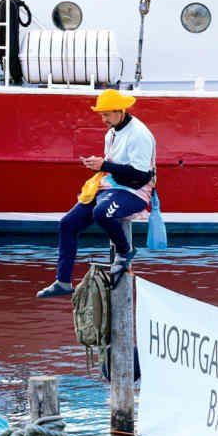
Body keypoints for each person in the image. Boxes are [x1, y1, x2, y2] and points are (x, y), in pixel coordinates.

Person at [36, 89, 156, 298]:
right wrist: (99, 165)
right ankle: (63, 281)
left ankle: (125, 251)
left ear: (120, 111)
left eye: (106, 114)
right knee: (67, 224)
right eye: (101, 114)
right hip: (112, 186)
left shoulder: (140, 134)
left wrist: (105, 165)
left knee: (102, 213)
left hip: (136, 192)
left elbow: (142, 176)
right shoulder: (111, 132)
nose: (103, 119)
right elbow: (115, 166)